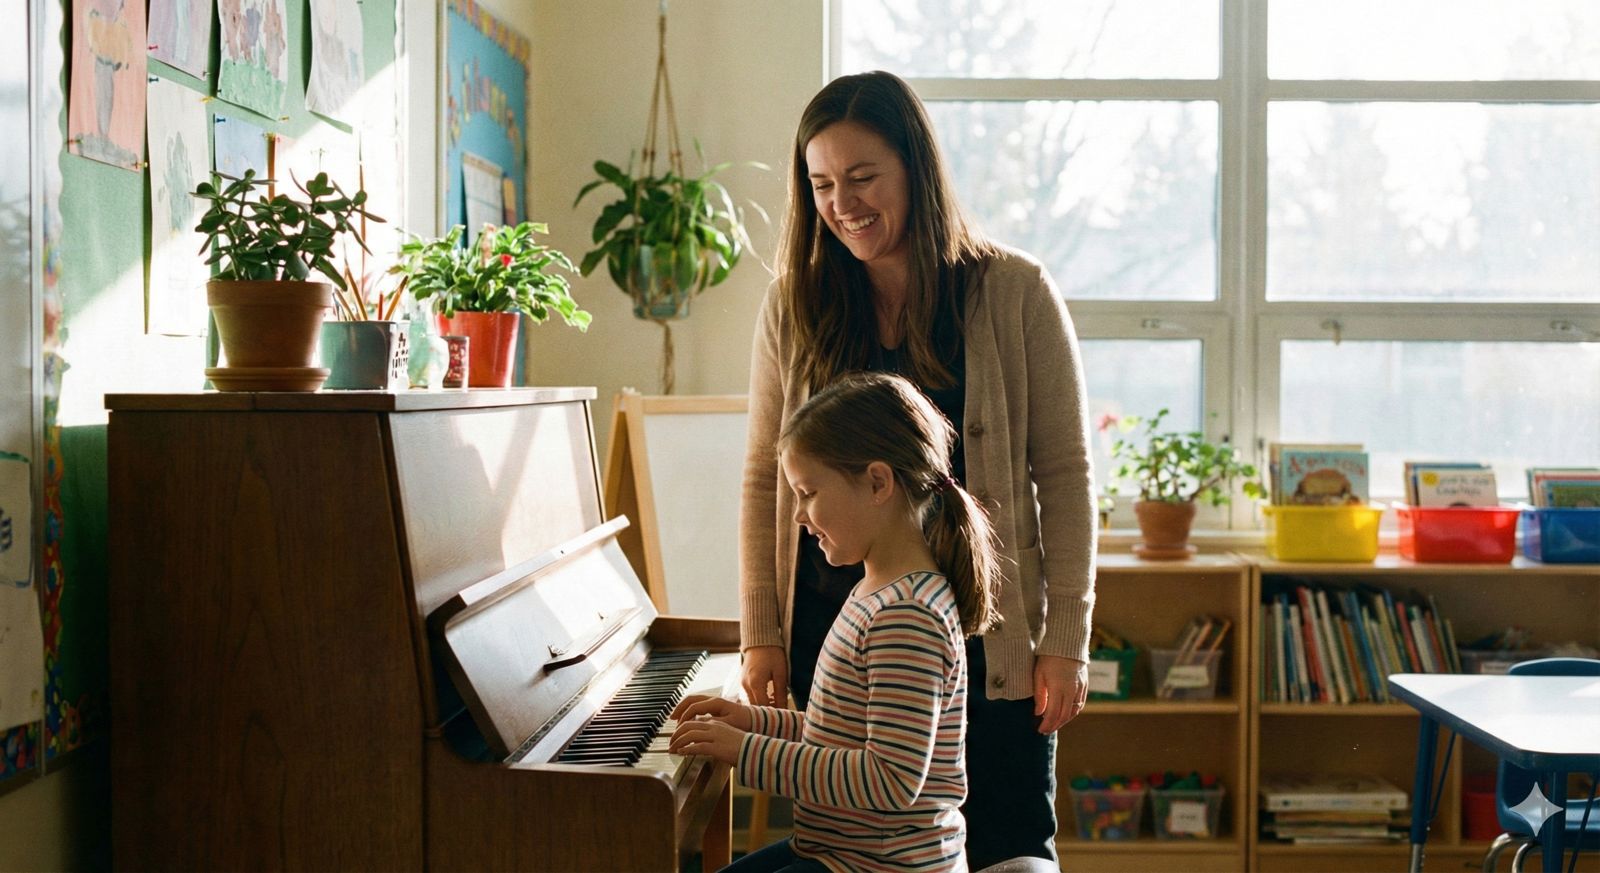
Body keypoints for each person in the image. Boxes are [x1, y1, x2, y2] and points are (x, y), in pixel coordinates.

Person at [736, 70, 1098, 869]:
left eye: (863, 177)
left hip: (990, 637)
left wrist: (1066, 639)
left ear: (917, 169)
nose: (843, 203)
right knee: (864, 848)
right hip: (838, 626)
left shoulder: (1016, 291)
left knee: (1009, 848)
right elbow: (765, 477)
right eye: (822, 184)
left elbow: (1067, 474)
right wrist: (761, 631)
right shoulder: (793, 304)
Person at [670, 372, 1001, 872]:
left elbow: (890, 779)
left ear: (877, 483)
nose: (799, 516)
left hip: (882, 866)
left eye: (808, 493)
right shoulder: (878, 592)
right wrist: (752, 722)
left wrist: (747, 751)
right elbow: (841, 733)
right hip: (840, 854)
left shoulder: (907, 615)